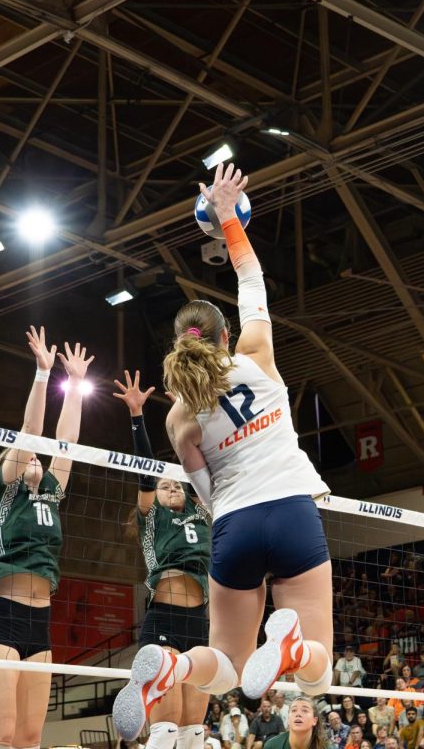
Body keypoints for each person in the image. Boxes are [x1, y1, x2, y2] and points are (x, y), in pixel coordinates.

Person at [117, 164, 333, 738]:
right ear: (225, 338)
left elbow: (205, 493)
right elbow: (252, 280)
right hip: (289, 508)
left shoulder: (178, 415)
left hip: (234, 527)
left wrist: (230, 520)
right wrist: (228, 224)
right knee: (319, 670)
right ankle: (290, 648)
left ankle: (172, 665)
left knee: (227, 666)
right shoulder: (257, 356)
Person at [0, 328, 92, 749]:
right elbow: (31, 431)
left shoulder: (52, 493)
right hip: (1, 616)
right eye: (26, 456)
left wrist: (74, 385)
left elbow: (68, 442)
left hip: (40, 622)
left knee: (29, 739)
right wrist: (43, 375)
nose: (35, 457)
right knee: (0, 737)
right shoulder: (6, 491)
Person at [116, 370, 211, 749]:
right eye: (163, 484)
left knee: (194, 732)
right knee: (166, 728)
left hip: (200, 623)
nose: (169, 485)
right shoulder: (152, 515)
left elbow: (207, 462)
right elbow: (145, 474)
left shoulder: (202, 509)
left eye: (175, 482)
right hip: (165, 619)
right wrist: (137, 417)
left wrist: (189, 418)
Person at [263, 696, 327, 749]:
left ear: (314, 720)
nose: (298, 714)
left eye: (305, 710)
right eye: (294, 710)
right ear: (288, 719)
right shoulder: (272, 746)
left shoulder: (325, 747)